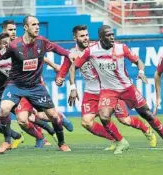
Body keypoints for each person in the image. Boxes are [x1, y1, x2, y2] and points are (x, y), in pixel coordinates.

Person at [0, 15, 75, 154]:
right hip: (15, 85)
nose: (37, 27)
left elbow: (58, 49)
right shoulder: (14, 45)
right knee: (4, 109)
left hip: (35, 86)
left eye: (38, 24)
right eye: (33, 24)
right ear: (26, 27)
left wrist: (68, 54)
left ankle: (62, 142)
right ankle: (6, 142)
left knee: (52, 115)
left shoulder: (42, 42)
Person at [63, 25, 163, 154]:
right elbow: (72, 67)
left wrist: (141, 71)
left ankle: (153, 132)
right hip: (108, 91)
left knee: (147, 114)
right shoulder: (91, 51)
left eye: (112, 35)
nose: (112, 38)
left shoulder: (121, 48)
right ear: (100, 38)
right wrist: (72, 87)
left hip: (127, 88)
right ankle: (121, 141)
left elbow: (138, 61)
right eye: (108, 35)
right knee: (104, 117)